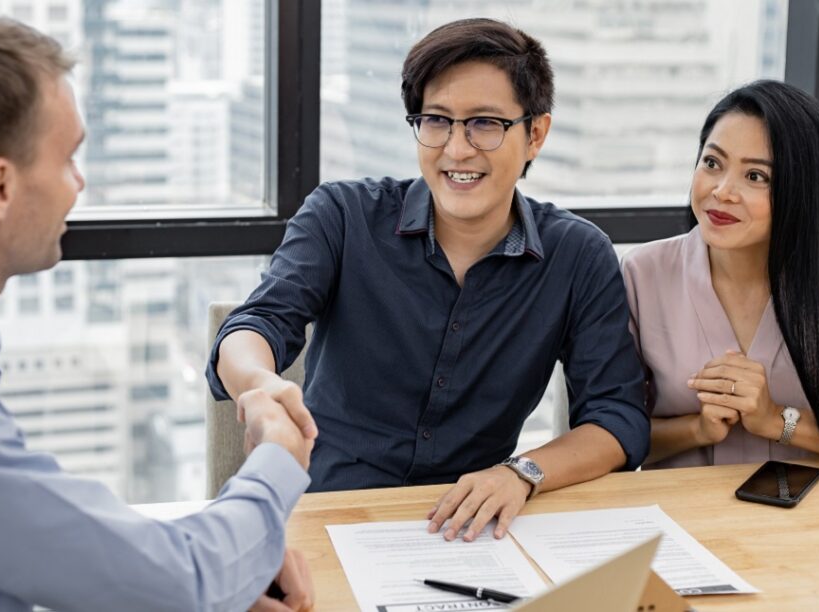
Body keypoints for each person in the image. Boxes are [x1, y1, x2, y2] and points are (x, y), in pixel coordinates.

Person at [0, 15, 316, 611]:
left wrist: (228, 571)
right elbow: (178, 581)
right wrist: (275, 463)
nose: (78, 185)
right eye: (68, 160)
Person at [208, 17, 649, 544]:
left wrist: (521, 472)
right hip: (323, 520)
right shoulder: (342, 216)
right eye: (436, 121)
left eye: (485, 124)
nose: (457, 149)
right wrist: (259, 383)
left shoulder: (578, 254)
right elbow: (257, 323)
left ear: (535, 134)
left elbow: (618, 417)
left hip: (467, 532)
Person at [622, 79, 819, 472]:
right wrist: (698, 429)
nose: (722, 191)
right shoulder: (643, 274)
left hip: (808, 524)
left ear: (802, 191)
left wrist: (779, 421)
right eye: (712, 163)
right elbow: (606, 436)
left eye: (756, 177)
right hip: (679, 521)